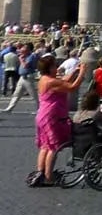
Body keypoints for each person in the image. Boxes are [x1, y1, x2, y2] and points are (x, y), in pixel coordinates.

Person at [30, 55, 83, 187]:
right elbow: (72, 87)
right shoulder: (51, 82)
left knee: (44, 146)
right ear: (49, 68)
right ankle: (49, 176)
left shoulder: (45, 79)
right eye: (54, 65)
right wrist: (82, 72)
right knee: (53, 147)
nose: (57, 68)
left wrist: (75, 71)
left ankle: (40, 173)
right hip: (52, 116)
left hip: (43, 115)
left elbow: (64, 81)